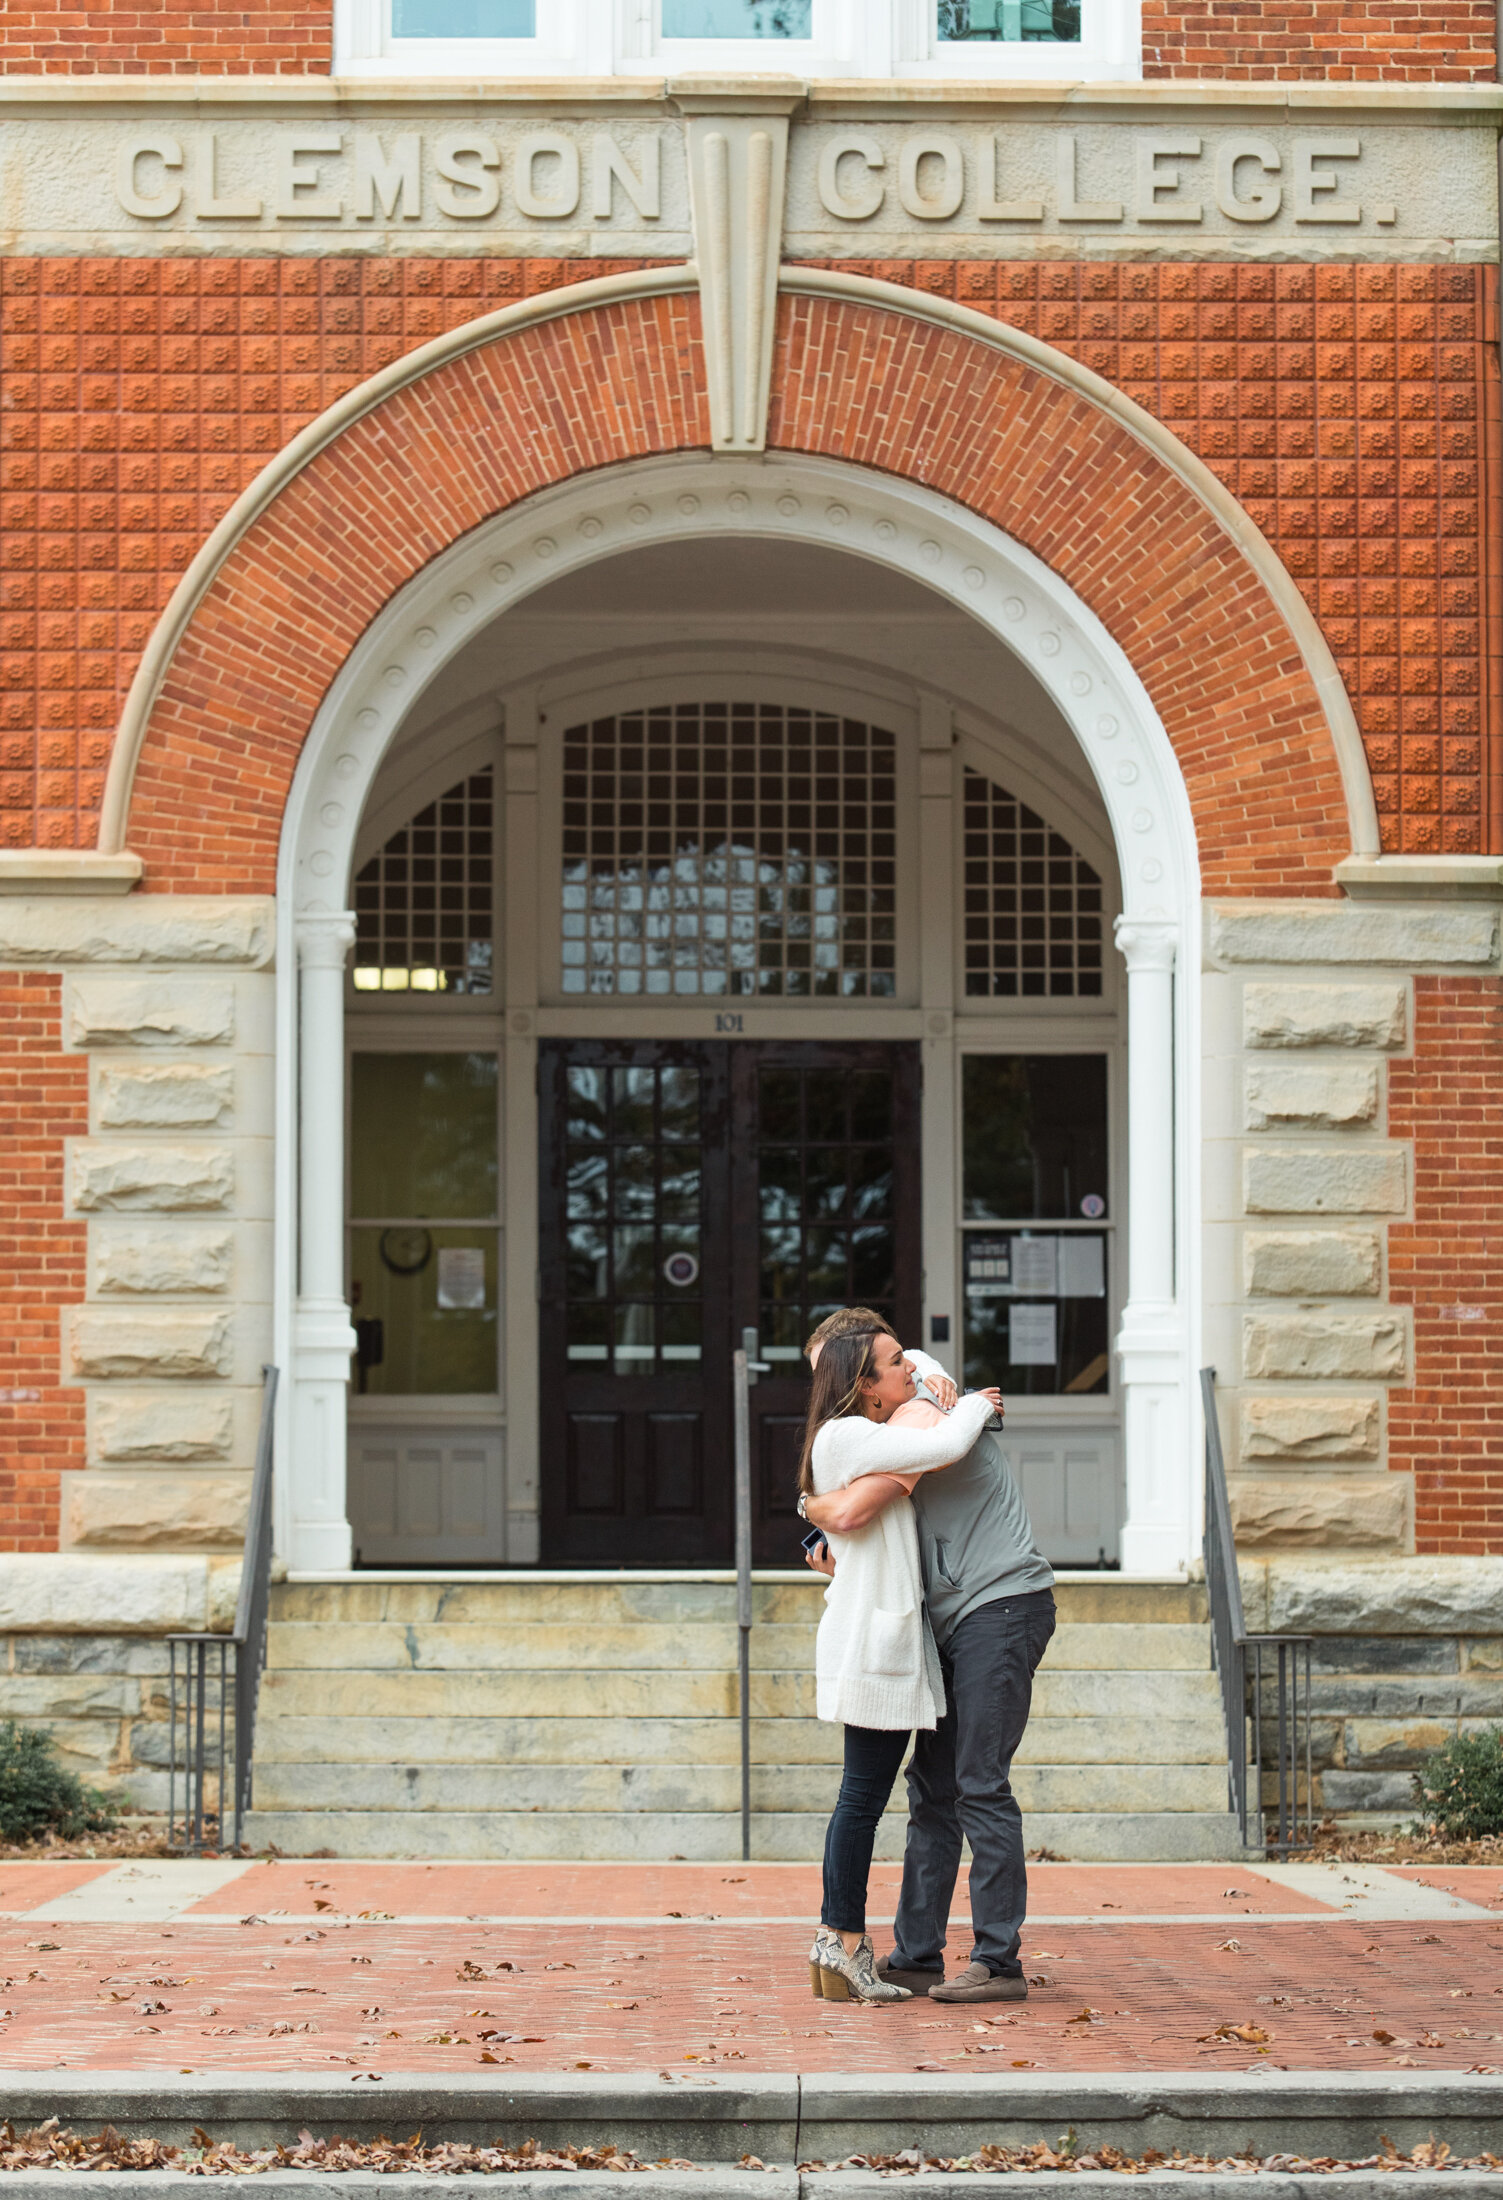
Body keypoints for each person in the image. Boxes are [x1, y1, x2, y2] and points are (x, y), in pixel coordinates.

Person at [801, 1311, 1056, 2005]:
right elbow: (850, 1518)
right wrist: (819, 1527)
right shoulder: (879, 1425)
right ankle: (915, 1955)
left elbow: (856, 1508)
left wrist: (821, 1509)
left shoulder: (921, 1398)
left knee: (977, 1782)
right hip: (942, 1617)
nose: (826, 1386)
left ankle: (997, 1962)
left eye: (837, 1369)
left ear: (865, 1370)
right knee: (932, 1789)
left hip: (1000, 1604)